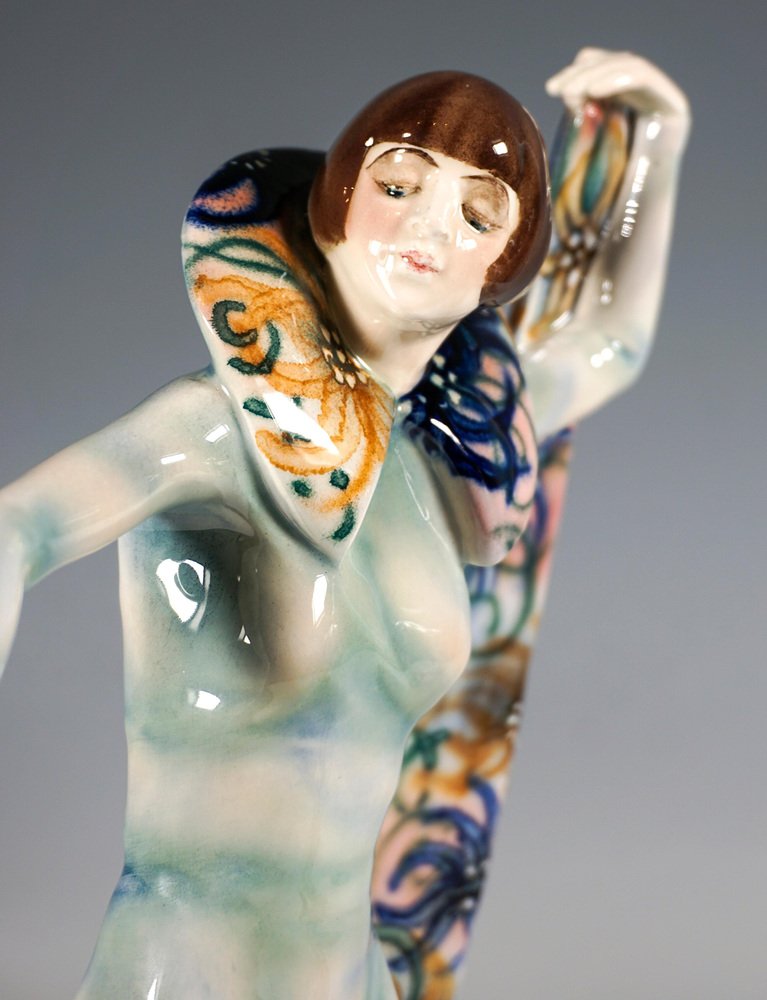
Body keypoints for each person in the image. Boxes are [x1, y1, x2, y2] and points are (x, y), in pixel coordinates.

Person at [0, 50, 689, 1000]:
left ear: (500, 269)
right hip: (185, 968)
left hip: (350, 976)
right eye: (398, 185)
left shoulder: (442, 465)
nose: (429, 225)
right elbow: (19, 529)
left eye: (478, 214)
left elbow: (602, 343)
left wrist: (654, 138)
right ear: (332, 207)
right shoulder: (217, 431)